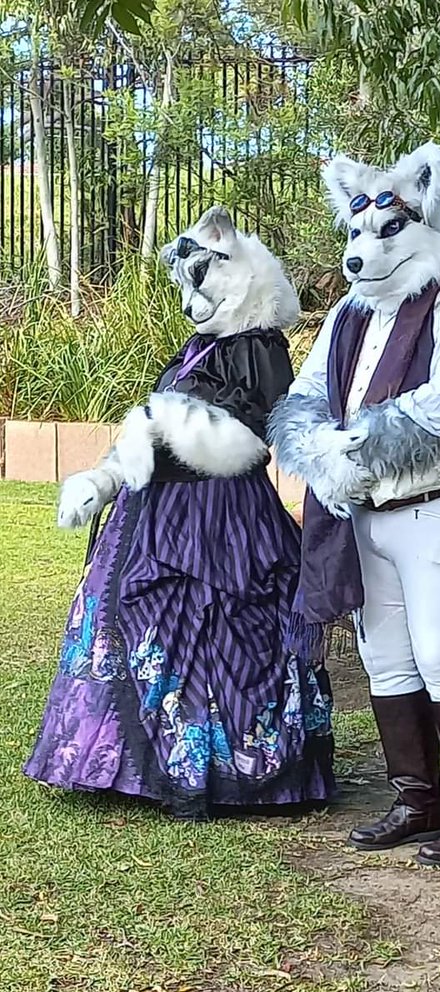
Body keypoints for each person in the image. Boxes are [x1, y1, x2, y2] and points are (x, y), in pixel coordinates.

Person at [24, 207, 336, 819]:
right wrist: (110, 474)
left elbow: (256, 428)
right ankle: (126, 760)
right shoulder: (197, 348)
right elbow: (154, 423)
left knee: (216, 618)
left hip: (222, 513)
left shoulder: (259, 346)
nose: (194, 301)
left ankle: (218, 765)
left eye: (206, 283)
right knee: (129, 615)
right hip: (156, 507)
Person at [270, 141, 440, 868]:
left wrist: (355, 447)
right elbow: (307, 394)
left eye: (388, 232)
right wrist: (319, 451)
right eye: (357, 232)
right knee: (385, 658)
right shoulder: (350, 318)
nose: (364, 250)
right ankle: (415, 800)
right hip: (364, 512)